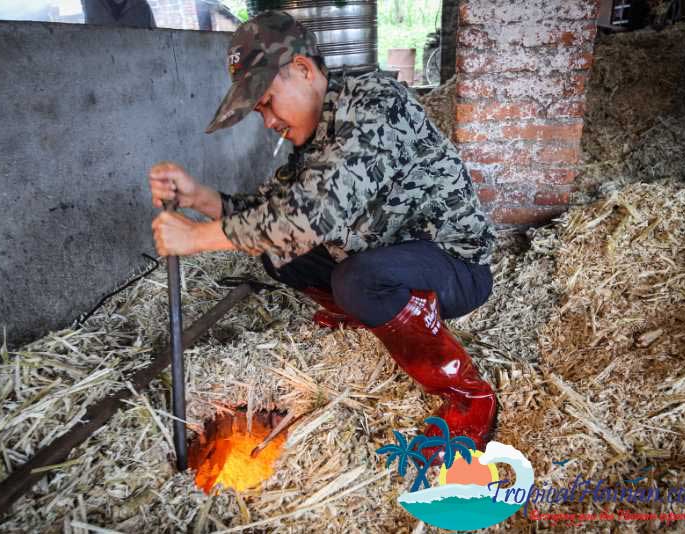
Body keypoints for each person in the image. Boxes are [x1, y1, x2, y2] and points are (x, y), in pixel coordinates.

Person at [149, 11, 498, 454]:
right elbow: (268, 215)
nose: (269, 122)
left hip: (454, 265)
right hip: (390, 255)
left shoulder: (375, 103)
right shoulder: (315, 138)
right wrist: (199, 198)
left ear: (303, 70)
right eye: (259, 111)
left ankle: (467, 394)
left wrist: (197, 239)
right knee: (279, 253)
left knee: (358, 278)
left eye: (268, 102)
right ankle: (370, 311)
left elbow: (312, 217)